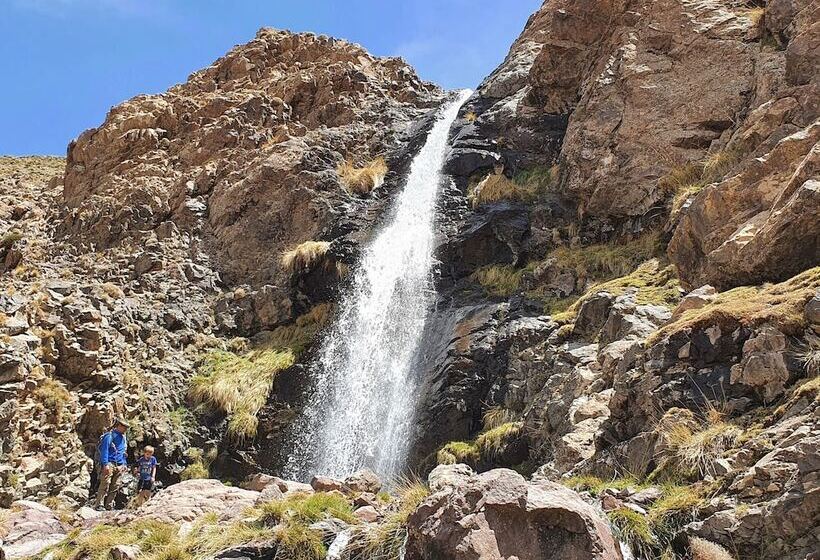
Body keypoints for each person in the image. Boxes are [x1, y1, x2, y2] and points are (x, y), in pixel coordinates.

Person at [93, 418, 128, 511]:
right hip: (110, 463)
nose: (125, 429)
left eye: (126, 427)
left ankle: (109, 505)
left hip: (120, 464)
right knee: (105, 483)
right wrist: (105, 464)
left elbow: (123, 452)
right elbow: (105, 450)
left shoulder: (123, 438)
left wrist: (124, 464)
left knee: (115, 485)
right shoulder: (109, 436)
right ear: (119, 426)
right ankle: (99, 504)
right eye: (124, 427)